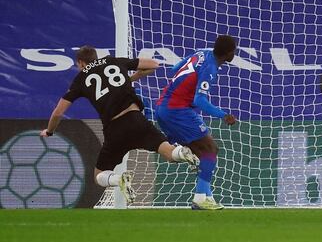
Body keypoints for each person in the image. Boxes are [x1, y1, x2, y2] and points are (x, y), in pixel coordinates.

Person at [40, 46, 199, 204]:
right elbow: (153, 65)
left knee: (99, 175)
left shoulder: (80, 79)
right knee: (170, 154)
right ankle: (182, 152)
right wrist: (130, 78)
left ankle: (119, 180)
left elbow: (58, 112)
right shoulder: (113, 61)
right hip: (136, 120)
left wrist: (49, 131)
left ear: (81, 63)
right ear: (95, 57)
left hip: (114, 129)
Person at [155, 35, 238, 210]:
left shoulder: (202, 52)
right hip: (177, 110)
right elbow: (199, 100)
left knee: (203, 152)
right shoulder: (210, 68)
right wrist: (223, 115)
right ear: (230, 53)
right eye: (234, 50)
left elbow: (175, 69)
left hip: (164, 107)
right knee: (210, 149)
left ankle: (205, 195)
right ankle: (200, 197)